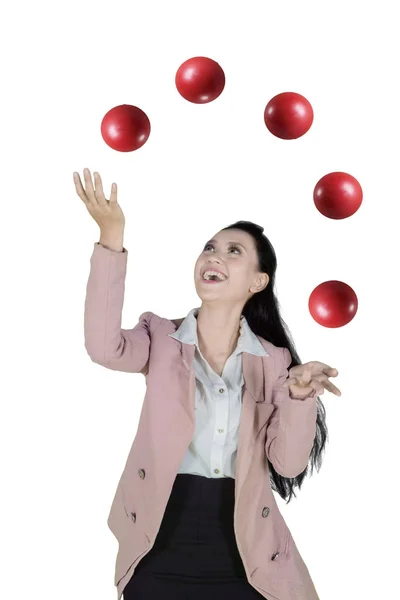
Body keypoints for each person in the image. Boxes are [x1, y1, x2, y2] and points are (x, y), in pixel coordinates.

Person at [73, 168, 341, 600]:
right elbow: (103, 348)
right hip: (160, 536)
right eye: (209, 248)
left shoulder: (274, 362)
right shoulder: (160, 337)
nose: (214, 257)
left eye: (233, 251)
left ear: (257, 282)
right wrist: (111, 236)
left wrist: (298, 395)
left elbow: (288, 464)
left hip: (243, 547)